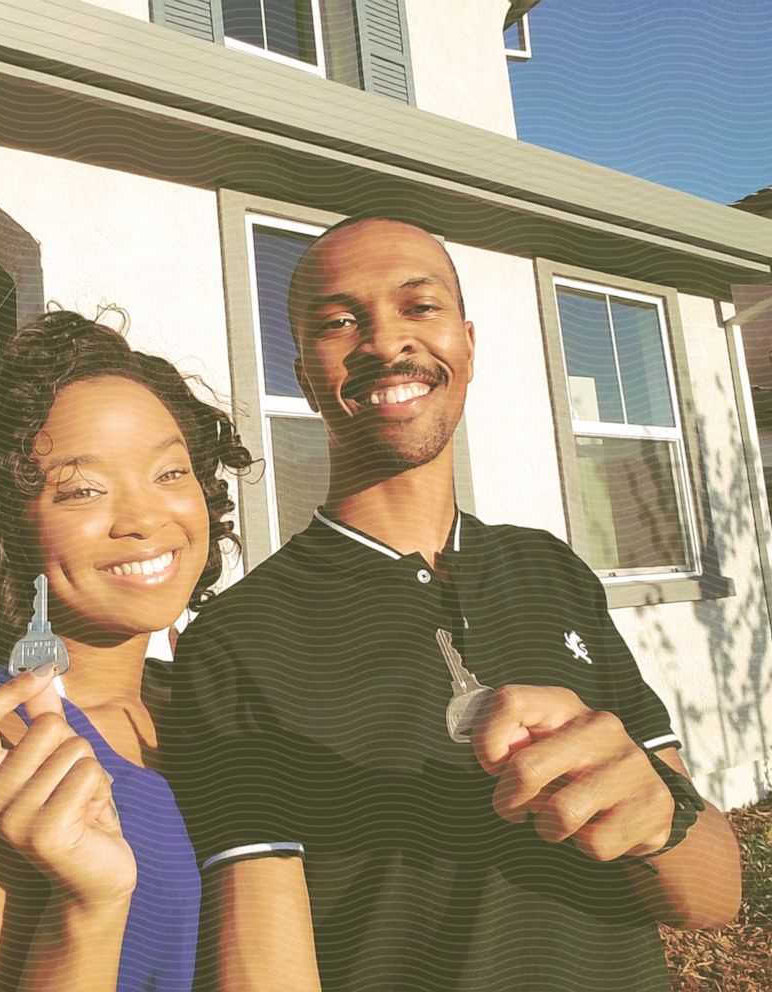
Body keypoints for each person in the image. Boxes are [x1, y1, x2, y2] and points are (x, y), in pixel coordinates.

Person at [164, 218, 742, 992]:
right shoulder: (237, 641)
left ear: (467, 344)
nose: (383, 342)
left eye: (419, 307)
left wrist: (656, 810)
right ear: (305, 375)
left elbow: (713, 898)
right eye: (340, 322)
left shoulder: (552, 569)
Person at [0, 309, 251, 991]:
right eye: (83, 490)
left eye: (171, 473)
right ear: (7, 527)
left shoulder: (194, 705)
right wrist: (88, 912)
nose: (144, 519)